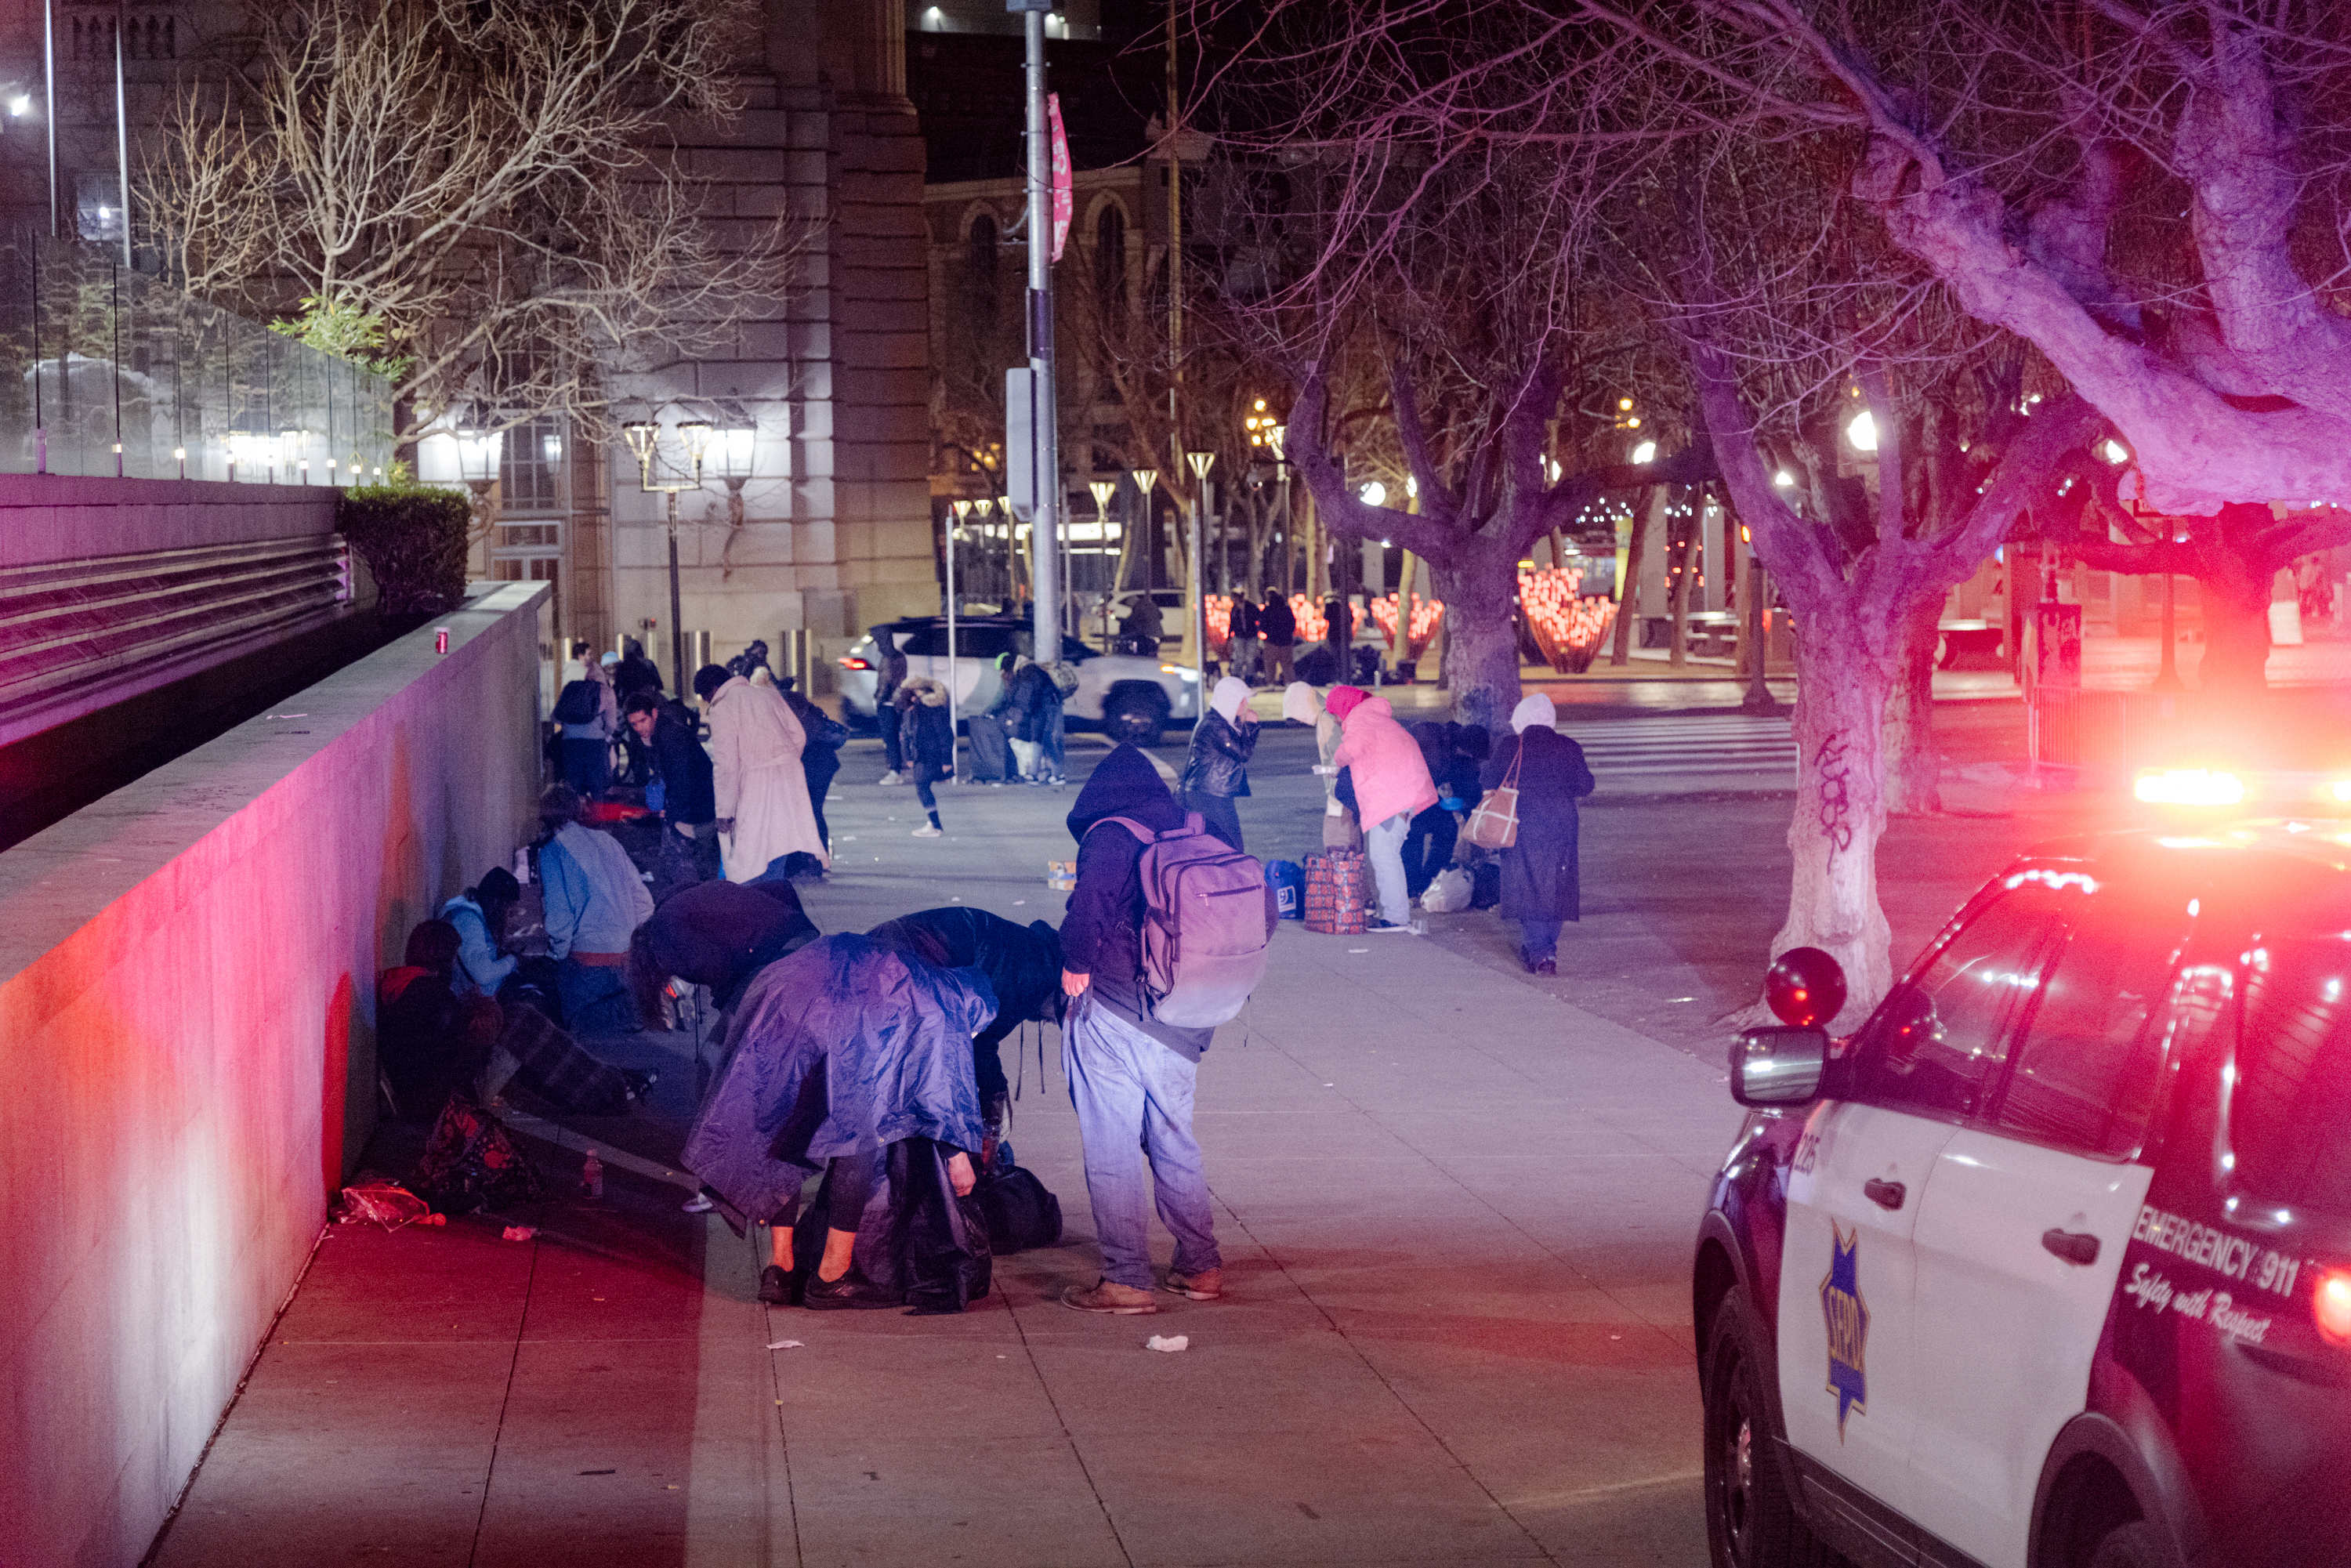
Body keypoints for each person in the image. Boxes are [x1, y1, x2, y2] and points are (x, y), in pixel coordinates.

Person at [681, 934, 991, 1309]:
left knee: (785, 1124)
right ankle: (833, 1275)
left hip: (783, 990)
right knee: (859, 1135)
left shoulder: (921, 977)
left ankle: (780, 1269)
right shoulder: (946, 1005)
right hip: (838, 1010)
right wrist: (957, 1155)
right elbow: (942, 1090)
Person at [1056, 743, 1225, 1314]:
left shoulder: (1110, 834)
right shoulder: (1191, 828)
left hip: (1117, 1009)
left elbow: (1087, 914)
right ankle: (1200, 1266)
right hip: (1184, 1016)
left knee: (1113, 1146)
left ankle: (1127, 1278)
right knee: (1175, 1138)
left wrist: (1075, 967)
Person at [867, 907, 1065, 1167]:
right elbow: (975, 1041)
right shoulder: (1031, 977)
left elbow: (981, 1035)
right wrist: (994, 1094)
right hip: (905, 965)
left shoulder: (1034, 958)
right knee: (913, 1080)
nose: (1052, 1022)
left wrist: (994, 1089)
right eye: (1058, 1017)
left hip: (893, 952)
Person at [1481, 693, 1596, 974]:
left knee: (1526, 884)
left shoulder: (1511, 746)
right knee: (1557, 884)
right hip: (1561, 826)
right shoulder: (1568, 746)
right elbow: (1585, 785)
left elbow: (1487, 779)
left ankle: (1539, 949)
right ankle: (1546, 949)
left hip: (1521, 823)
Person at [536, 784, 656, 1032]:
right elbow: (643, 901)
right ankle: (634, 1007)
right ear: (577, 810)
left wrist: (555, 956)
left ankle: (629, 1011)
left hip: (589, 962)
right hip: (627, 957)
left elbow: (559, 921)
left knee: (576, 1024)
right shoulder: (608, 841)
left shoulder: (551, 852)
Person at [697, 664, 830, 882]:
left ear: (712, 690)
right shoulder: (768, 695)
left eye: (706, 697)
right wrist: (781, 760)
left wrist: (724, 812)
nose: (708, 702)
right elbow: (799, 736)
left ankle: (756, 907)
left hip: (755, 786)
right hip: (789, 779)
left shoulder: (723, 707)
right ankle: (774, 900)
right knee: (779, 844)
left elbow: (726, 767)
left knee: (749, 855)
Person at [1330, 685, 1438, 932]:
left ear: (1343, 709)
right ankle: (1396, 913)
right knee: (1388, 855)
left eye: (1335, 713)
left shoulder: (1361, 721)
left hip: (1392, 798)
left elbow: (1350, 749)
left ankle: (1396, 917)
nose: (1336, 720)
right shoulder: (1377, 719)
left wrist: (1337, 761)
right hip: (1402, 795)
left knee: (1384, 856)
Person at [379, 920, 500, 1119]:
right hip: (432, 1099)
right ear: (445, 961)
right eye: (453, 958)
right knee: (517, 1027)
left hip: (413, 1087)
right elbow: (481, 1033)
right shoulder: (433, 995)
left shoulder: (402, 983)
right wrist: (486, 1003)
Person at [626, 690, 720, 896]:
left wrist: (670, 811)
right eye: (634, 724)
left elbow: (684, 779)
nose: (639, 728)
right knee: (681, 872)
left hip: (692, 813)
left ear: (654, 714)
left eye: (643, 720)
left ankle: (692, 913)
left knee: (684, 875)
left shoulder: (672, 737)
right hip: (688, 811)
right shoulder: (658, 736)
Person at [1403, 721, 1487, 901]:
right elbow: (1470, 794)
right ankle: (1428, 882)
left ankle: (1412, 887)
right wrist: (1462, 803)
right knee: (1443, 836)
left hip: (1416, 804)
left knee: (1413, 841)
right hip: (1435, 806)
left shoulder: (1429, 747)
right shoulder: (1460, 761)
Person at [1176, 676, 1259, 852]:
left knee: (1225, 846)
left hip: (1212, 794)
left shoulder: (1222, 722)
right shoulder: (1215, 725)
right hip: (1208, 795)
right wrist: (1250, 726)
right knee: (1230, 847)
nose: (1245, 704)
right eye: (1241, 700)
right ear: (1229, 700)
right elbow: (1243, 753)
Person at [776, 677, 847, 871]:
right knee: (814, 810)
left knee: (809, 811)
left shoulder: (784, 705)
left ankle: (813, 860)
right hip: (823, 763)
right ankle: (816, 858)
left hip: (812, 765)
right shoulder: (802, 705)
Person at [442, 867, 523, 1000]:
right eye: (509, 909)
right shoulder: (467, 919)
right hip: (464, 1004)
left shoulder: (479, 917)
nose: (509, 917)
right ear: (497, 902)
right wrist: (511, 961)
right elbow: (483, 973)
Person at [896, 675, 954, 837]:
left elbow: (945, 735)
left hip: (929, 754)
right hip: (922, 755)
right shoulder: (916, 707)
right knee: (922, 787)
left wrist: (946, 760)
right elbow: (908, 733)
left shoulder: (929, 708)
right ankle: (934, 824)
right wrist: (908, 755)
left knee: (922, 787)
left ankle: (935, 825)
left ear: (918, 691)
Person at [556, 657, 618, 798]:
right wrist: (606, 736)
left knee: (574, 788)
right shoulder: (607, 692)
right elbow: (611, 724)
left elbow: (556, 717)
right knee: (598, 787)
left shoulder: (571, 688)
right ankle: (597, 817)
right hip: (595, 744)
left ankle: (576, 816)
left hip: (570, 742)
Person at [875, 633, 910, 784]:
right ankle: (896, 769)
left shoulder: (889, 658)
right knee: (894, 738)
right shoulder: (898, 656)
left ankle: (895, 772)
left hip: (889, 704)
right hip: (895, 703)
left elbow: (886, 682)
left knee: (890, 739)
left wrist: (880, 700)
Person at [1258, 585, 1297, 686]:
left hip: (1271, 641)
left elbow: (1262, 625)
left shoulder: (1267, 610)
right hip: (1286, 641)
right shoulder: (1287, 609)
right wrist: (1288, 633)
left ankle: (1271, 683)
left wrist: (1268, 633)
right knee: (1287, 663)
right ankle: (1289, 682)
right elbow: (1292, 623)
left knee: (1270, 664)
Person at [1226, 592, 1261, 685]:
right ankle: (1237, 678)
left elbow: (1258, 616)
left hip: (1251, 636)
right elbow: (1232, 623)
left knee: (1250, 658)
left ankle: (1249, 679)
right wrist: (1229, 635)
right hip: (1239, 636)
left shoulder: (1250, 606)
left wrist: (1257, 628)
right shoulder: (1234, 609)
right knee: (1239, 657)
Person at [1121, 592, 1164, 657]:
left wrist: (1123, 620)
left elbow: (1133, 619)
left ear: (1131, 602)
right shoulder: (1150, 603)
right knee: (1154, 652)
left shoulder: (1138, 606)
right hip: (1158, 633)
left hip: (1147, 634)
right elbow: (1161, 616)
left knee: (1143, 651)